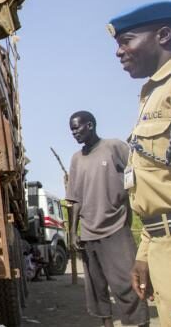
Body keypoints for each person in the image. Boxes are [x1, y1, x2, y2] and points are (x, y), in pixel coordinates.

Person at [108, 2, 171, 326]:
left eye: (127, 40)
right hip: (160, 244)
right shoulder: (151, 95)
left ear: (163, 35)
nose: (119, 51)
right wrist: (145, 255)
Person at [66, 111, 149, 327]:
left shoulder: (114, 147)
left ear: (90, 125)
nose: (74, 133)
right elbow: (74, 200)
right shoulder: (76, 159)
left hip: (116, 228)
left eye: (77, 127)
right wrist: (73, 232)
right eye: (71, 129)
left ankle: (140, 323)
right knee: (96, 287)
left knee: (127, 283)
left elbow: (136, 174)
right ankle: (107, 324)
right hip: (89, 233)